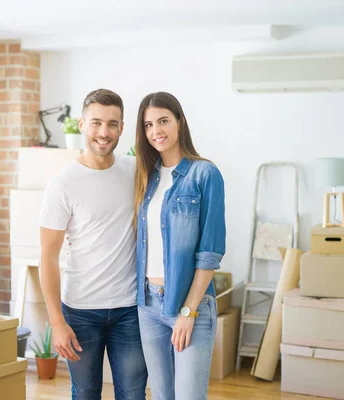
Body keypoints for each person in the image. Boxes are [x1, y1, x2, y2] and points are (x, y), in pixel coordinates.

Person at [39, 89, 148, 400]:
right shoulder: (62, 185)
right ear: (81, 124)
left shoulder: (135, 169)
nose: (104, 132)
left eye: (112, 124)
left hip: (129, 308)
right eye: (96, 122)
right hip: (81, 311)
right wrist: (57, 322)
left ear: (122, 127)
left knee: (132, 394)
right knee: (86, 393)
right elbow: (47, 257)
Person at [133, 91, 226, 400]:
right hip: (148, 306)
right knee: (161, 396)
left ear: (179, 123)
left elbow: (210, 252)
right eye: (148, 125)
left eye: (163, 121)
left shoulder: (205, 173)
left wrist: (188, 311)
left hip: (191, 306)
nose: (156, 131)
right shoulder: (146, 177)